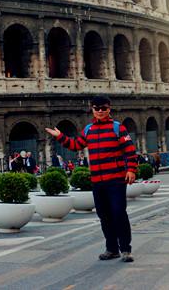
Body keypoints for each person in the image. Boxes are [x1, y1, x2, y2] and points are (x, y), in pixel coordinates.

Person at [45, 95, 137, 263]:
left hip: (116, 180)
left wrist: (131, 170)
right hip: (98, 181)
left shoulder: (118, 128)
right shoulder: (88, 130)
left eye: (103, 108)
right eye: (97, 108)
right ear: (92, 109)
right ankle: (112, 249)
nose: (100, 111)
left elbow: (130, 151)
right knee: (104, 215)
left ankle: (125, 249)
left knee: (118, 214)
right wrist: (60, 136)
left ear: (109, 109)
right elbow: (75, 145)